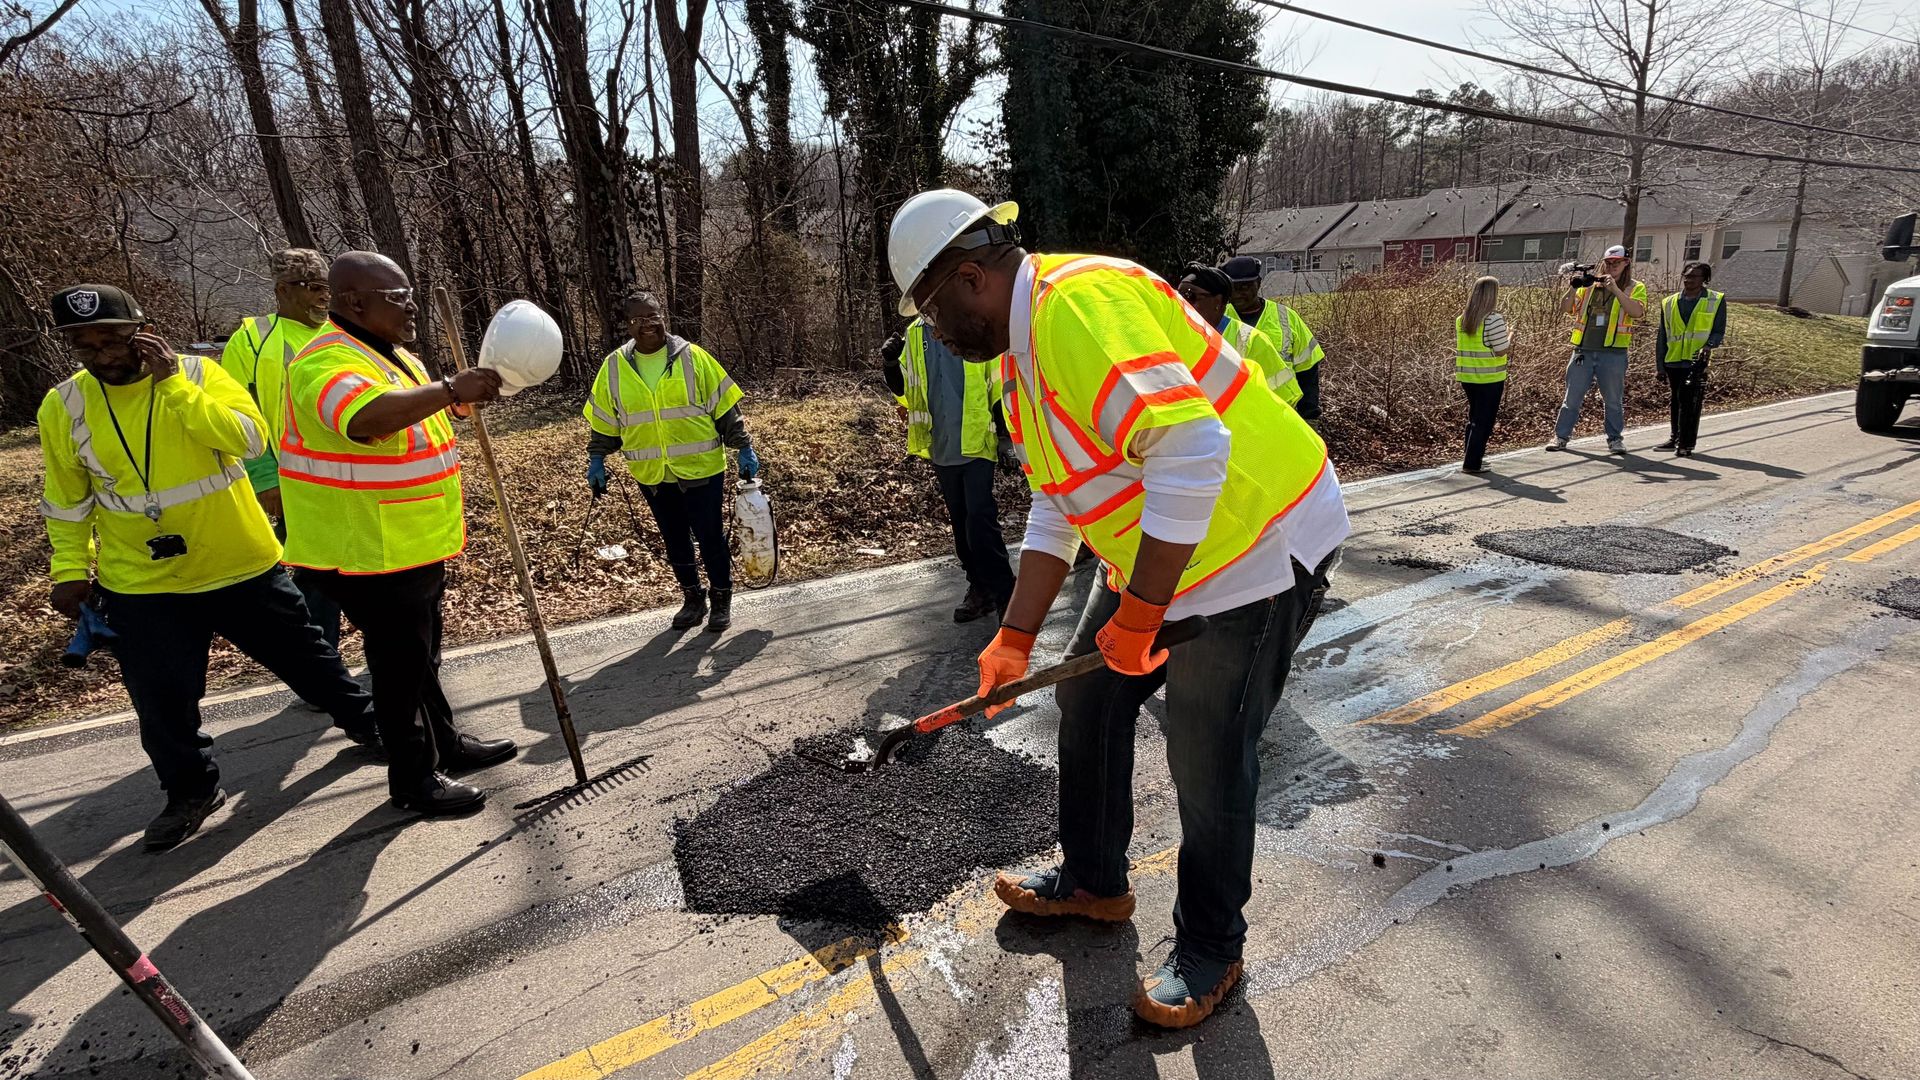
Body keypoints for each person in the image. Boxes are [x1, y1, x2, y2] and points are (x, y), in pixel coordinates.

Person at [888, 190, 1349, 1030]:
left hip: (1256, 543)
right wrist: (1015, 635)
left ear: (968, 279)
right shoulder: (1021, 362)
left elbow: (1194, 449)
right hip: (1170, 549)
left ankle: (1212, 946)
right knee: (1090, 696)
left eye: (931, 314)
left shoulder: (1077, 310)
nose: (936, 337)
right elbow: (1060, 502)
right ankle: (1096, 881)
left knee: (1206, 750)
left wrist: (1140, 617)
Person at [36, 283, 381, 850]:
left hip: (238, 562)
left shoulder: (197, 376)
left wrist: (172, 386)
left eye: (113, 339)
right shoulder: (64, 404)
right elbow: (67, 499)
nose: (103, 355)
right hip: (141, 581)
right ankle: (190, 792)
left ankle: (371, 730)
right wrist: (69, 568)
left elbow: (249, 440)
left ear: (142, 332)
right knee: (162, 699)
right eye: (85, 344)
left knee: (310, 661)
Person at [279, 251, 517, 816]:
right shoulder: (323, 362)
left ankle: (446, 746)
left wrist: (455, 396)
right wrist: (448, 388)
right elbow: (366, 419)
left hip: (408, 542)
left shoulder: (393, 356)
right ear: (352, 303)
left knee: (420, 657)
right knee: (398, 670)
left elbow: (418, 420)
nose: (411, 305)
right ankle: (413, 779)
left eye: (410, 292)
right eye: (396, 296)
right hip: (364, 549)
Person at [584, 292, 760, 633]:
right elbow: (605, 421)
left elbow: (726, 410)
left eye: (653, 316)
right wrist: (596, 458)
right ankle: (693, 597)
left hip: (702, 468)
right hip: (652, 473)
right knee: (674, 537)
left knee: (709, 536)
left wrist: (744, 448)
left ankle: (722, 598)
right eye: (638, 320)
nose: (648, 325)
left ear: (662, 316)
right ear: (628, 326)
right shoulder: (614, 367)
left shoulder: (693, 358)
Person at [218, 248, 344, 655]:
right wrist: (264, 476)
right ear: (282, 291)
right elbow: (239, 414)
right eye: (313, 289)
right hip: (297, 480)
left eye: (328, 288)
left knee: (367, 570)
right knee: (317, 575)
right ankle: (326, 672)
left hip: (354, 476)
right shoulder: (253, 339)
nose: (323, 297)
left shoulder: (342, 332)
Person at [879, 317, 1017, 622]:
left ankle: (1006, 592)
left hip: (977, 439)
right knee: (960, 522)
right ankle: (980, 590)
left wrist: (1007, 440)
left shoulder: (966, 321)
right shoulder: (915, 334)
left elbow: (995, 384)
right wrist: (890, 363)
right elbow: (905, 390)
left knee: (980, 519)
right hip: (941, 444)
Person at [1548, 244, 1647, 454]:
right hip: (1583, 350)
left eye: (1617, 263)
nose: (1612, 267)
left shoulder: (1634, 287)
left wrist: (1616, 290)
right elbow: (1566, 308)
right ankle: (1560, 437)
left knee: (1612, 399)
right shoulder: (1589, 285)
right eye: (1608, 262)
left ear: (1626, 263)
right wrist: (1573, 287)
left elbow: (1636, 312)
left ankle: (1615, 439)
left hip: (1613, 353)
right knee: (1571, 398)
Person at [1176, 263, 1302, 408]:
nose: (1181, 303)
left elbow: (1284, 400)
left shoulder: (1252, 341)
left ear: (1217, 301)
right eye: (1177, 296)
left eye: (1189, 296)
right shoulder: (1174, 335)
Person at [1220, 255, 1325, 420]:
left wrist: (1309, 417)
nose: (1239, 294)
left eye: (1246, 287)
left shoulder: (1286, 318)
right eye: (1234, 288)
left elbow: (1308, 371)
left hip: (1280, 413)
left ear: (1259, 283)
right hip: (1235, 416)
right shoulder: (1218, 319)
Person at [1655, 261, 1726, 457]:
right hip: (1673, 359)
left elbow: (1718, 330)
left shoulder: (1715, 300)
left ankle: (1686, 443)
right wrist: (1659, 366)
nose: (1689, 279)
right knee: (1676, 400)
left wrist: (1709, 345)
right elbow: (1662, 335)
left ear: (1705, 279)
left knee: (1690, 402)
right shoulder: (1669, 302)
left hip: (1696, 361)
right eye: (1686, 275)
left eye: (1694, 276)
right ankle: (1674, 438)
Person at [1455, 276, 1512, 474]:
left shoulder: (1462, 320)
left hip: (1468, 376)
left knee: (1474, 418)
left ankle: (1471, 455)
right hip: (1490, 378)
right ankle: (1472, 463)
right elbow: (1501, 350)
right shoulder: (1493, 319)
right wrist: (1510, 335)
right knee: (1484, 421)